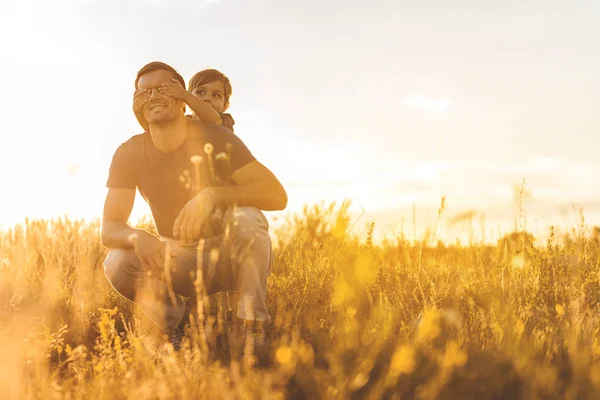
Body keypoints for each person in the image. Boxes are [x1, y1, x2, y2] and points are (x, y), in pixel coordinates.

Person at [101, 61, 287, 358]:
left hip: (229, 254)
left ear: (182, 97)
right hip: (180, 257)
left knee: (248, 218)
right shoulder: (129, 152)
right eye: (144, 92)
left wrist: (212, 195)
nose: (154, 97)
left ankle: (253, 328)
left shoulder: (218, 136)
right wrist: (137, 236)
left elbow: (276, 195)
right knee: (116, 261)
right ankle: (181, 329)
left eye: (162, 89)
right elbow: (109, 228)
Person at [133, 68, 236, 132]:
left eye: (216, 95)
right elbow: (155, 134)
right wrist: (139, 113)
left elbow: (213, 120)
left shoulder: (225, 120)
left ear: (225, 106)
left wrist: (185, 96)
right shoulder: (185, 122)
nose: (207, 98)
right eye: (200, 92)